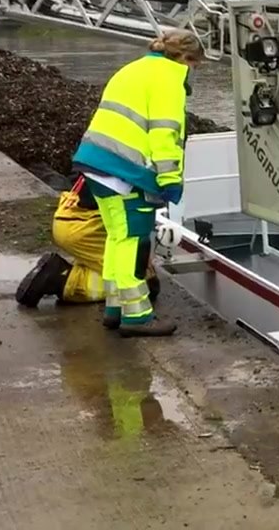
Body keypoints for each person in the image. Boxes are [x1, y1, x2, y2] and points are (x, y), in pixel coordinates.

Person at [71, 28, 200, 337]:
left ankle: (115, 308)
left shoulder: (134, 68)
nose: (194, 72)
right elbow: (164, 133)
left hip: (96, 161)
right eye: (196, 65)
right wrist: (170, 180)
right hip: (123, 170)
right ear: (185, 58)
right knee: (133, 241)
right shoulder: (169, 77)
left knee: (117, 238)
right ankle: (138, 316)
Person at [15, 174, 161, 308]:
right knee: (142, 284)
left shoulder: (114, 154)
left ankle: (77, 269)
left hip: (70, 214)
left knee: (116, 264)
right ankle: (62, 278)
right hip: (85, 227)